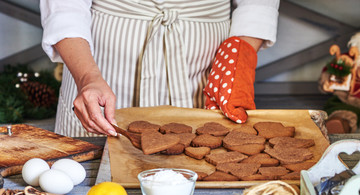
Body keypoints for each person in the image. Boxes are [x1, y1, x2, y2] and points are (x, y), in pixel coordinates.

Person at [40, 0, 280, 137]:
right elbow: (65, 6)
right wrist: (87, 77)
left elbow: (258, 4)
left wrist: (237, 63)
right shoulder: (89, 76)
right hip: (98, 68)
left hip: (205, 74)